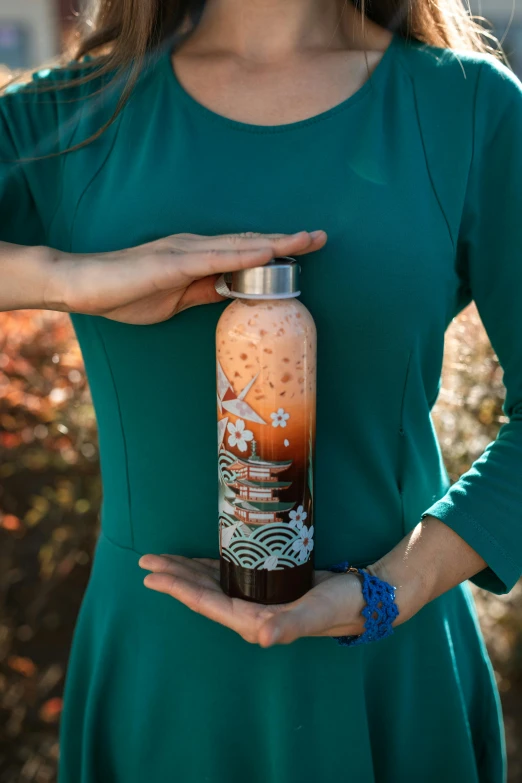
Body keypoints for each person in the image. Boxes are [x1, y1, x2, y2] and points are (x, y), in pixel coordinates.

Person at [1, 0, 521, 780]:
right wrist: (74, 278)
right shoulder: (70, 115)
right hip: (161, 682)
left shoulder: (467, 109)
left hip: (388, 674)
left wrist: (384, 592)